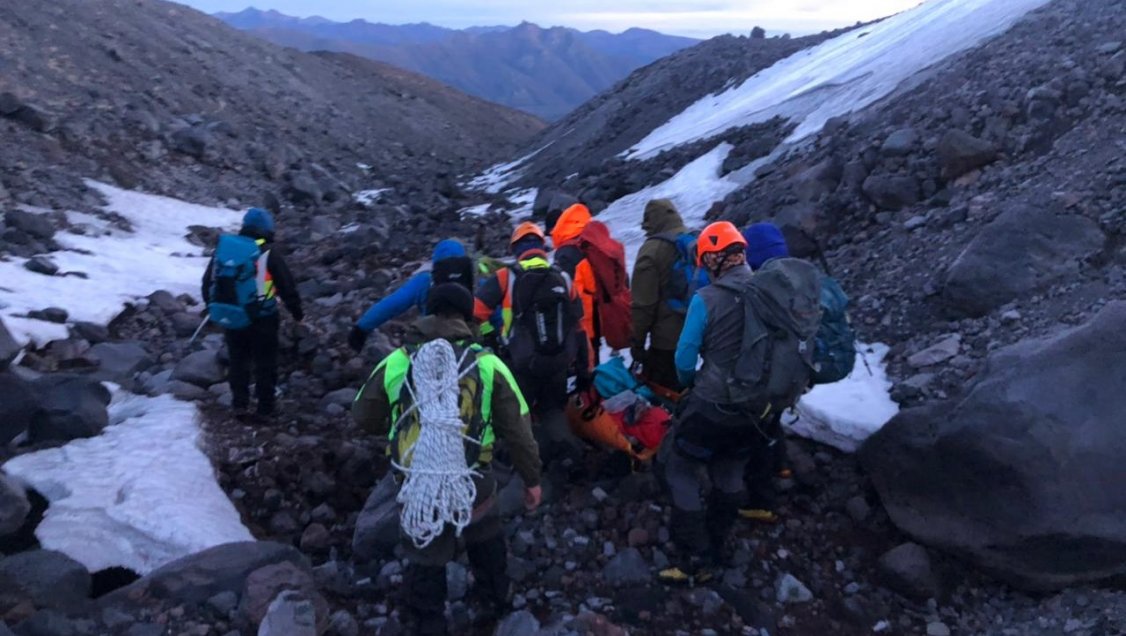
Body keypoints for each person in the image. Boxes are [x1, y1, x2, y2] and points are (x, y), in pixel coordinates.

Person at [353, 282, 542, 635]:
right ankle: (494, 604)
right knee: (485, 531)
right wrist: (532, 480)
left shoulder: (397, 360)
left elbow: (362, 416)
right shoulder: (488, 365)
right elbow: (519, 429)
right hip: (473, 481)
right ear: (468, 316)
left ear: (426, 312)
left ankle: (429, 621)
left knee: (425, 555)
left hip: (419, 483)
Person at [658, 221, 821, 583]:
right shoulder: (774, 296)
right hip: (758, 412)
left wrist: (690, 387)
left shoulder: (706, 300)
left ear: (714, 259)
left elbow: (684, 358)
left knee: (680, 469)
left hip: (712, 406)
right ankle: (720, 544)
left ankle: (694, 556)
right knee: (730, 471)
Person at [474, 222, 589, 461]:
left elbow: (475, 312)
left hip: (520, 363)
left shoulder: (506, 277)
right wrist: (582, 367)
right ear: (542, 248)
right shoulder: (564, 279)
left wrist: (490, 337)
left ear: (516, 249)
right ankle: (567, 458)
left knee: (515, 414)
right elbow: (579, 327)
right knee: (553, 410)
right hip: (559, 361)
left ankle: (519, 466)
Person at [201, 207, 302, 419]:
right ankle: (265, 408)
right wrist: (297, 312)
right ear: (267, 228)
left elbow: (207, 282)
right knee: (265, 362)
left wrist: (214, 306)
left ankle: (240, 405)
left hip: (233, 314)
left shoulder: (226, 248)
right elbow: (286, 285)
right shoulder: (266, 251)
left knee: (239, 360)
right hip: (263, 316)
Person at [738, 222, 795, 523]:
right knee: (774, 419)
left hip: (766, 378)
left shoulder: (760, 288)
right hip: (795, 374)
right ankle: (782, 465)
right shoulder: (797, 279)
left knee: (756, 432)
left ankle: (763, 501)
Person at [348, 239, 474, 352]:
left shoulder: (425, 280)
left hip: (433, 339)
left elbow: (392, 304)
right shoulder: (472, 280)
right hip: (468, 338)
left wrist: (361, 328)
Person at [630, 198, 696, 390]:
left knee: (664, 392)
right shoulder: (694, 239)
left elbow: (643, 304)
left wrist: (637, 343)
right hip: (698, 330)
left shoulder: (651, 250)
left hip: (666, 339)